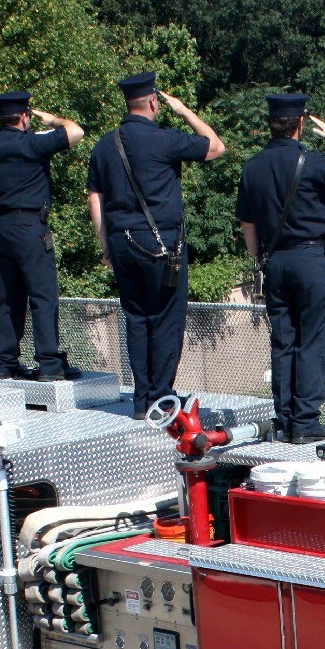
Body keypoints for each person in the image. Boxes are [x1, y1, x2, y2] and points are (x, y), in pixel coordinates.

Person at [236, 93, 325, 444]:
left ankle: (283, 419)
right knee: (311, 341)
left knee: (283, 342)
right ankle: (305, 422)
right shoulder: (312, 162)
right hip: (311, 260)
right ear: (300, 124)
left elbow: (248, 225)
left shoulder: (252, 168)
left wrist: (259, 264)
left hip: (275, 262)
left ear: (272, 123)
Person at [87, 72, 225, 418]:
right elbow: (216, 146)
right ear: (152, 102)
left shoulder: (105, 145)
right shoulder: (164, 139)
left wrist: (106, 244)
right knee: (165, 318)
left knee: (136, 318)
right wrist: (185, 112)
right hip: (161, 243)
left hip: (121, 241)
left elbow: (95, 197)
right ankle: (161, 397)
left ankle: (140, 398)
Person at [0, 91, 84, 381]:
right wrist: (54, 119)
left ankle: (5, 363)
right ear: (23, 116)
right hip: (29, 226)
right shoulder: (32, 143)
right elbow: (76, 131)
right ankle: (49, 363)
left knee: (7, 297)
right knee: (43, 296)